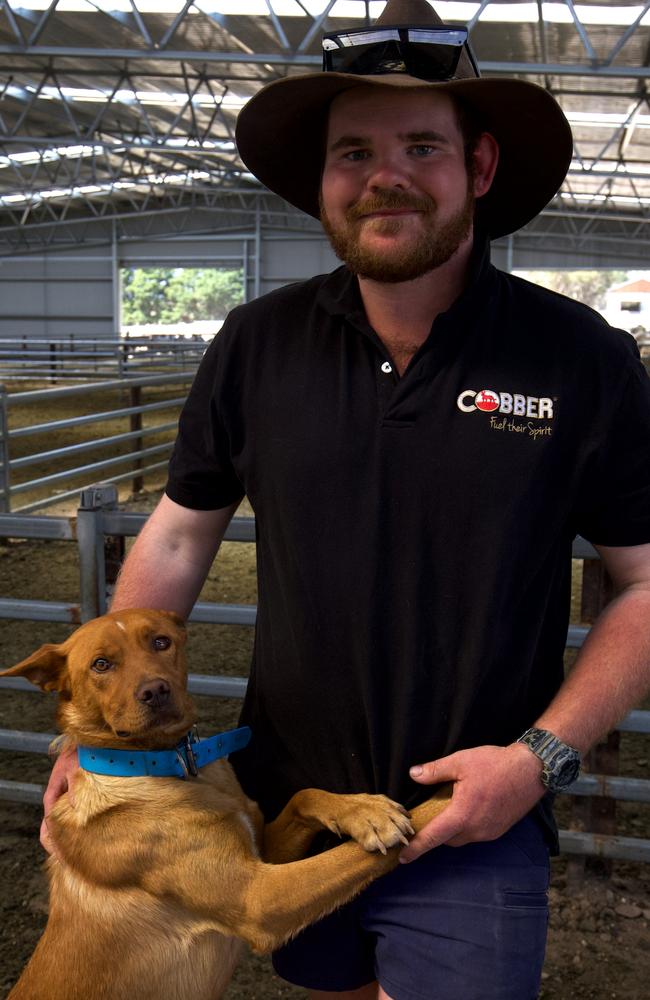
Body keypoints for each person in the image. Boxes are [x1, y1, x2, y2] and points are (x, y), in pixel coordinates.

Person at [43, 1, 650, 997]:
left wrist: (537, 760)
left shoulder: (577, 357)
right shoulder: (256, 343)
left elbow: (638, 583)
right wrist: (96, 747)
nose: (384, 176)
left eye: (421, 144)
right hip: (293, 807)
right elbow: (183, 535)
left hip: (473, 811)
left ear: (479, 168)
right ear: (322, 181)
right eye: (352, 151)